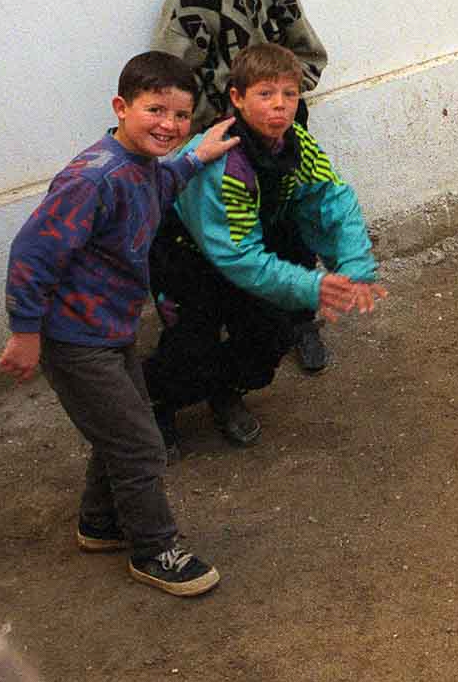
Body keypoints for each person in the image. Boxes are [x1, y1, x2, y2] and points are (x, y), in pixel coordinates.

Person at [0, 52, 238, 597]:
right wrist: (26, 332)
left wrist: (195, 155)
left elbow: (155, 183)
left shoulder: (142, 166)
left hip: (109, 330)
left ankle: (100, 524)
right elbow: (32, 254)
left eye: (180, 116)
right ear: (120, 107)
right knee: (139, 444)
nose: (168, 125)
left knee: (120, 431)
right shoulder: (95, 178)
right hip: (75, 338)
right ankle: (155, 550)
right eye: (155, 110)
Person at [144, 45, 384, 457]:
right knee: (190, 345)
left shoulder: (295, 141)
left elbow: (332, 197)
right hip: (186, 258)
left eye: (289, 95)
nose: (280, 107)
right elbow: (238, 256)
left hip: (245, 253)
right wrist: (314, 285)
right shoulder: (223, 162)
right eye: (266, 94)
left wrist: (355, 266)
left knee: (270, 333)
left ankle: (226, 392)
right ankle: (155, 406)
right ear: (236, 98)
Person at [153, 0, 336, 372]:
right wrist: (226, 119)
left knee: (294, 225)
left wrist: (282, 102)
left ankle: (302, 320)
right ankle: (240, 333)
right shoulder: (192, 3)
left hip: (281, 135)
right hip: (225, 143)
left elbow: (310, 54)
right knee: (237, 236)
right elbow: (172, 83)